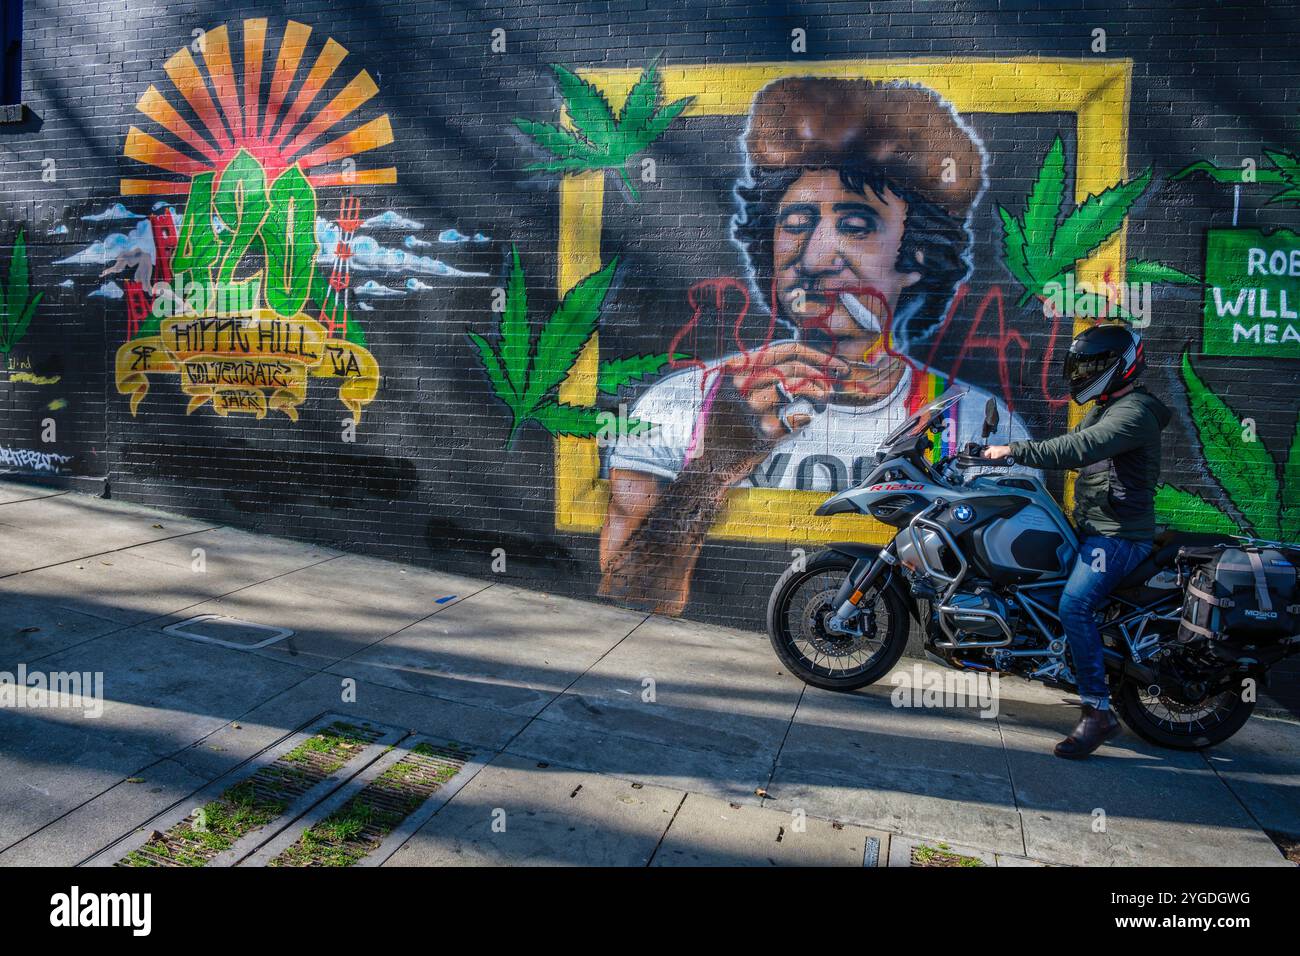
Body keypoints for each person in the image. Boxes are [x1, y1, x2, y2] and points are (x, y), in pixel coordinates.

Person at [600, 77, 1031, 615]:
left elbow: (1012, 587)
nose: (817, 256)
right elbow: (625, 603)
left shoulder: (973, 422)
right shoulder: (684, 401)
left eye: (855, 225)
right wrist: (710, 469)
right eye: (796, 223)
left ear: (916, 256)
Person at [983, 323, 1171, 758]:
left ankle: (1098, 712)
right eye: (1079, 365)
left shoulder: (1135, 411)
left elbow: (1083, 448)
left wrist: (1014, 450)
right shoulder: (1107, 405)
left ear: (1118, 366)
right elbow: (1074, 443)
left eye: (1091, 365)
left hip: (1118, 538)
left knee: (1075, 604)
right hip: (1091, 528)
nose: (1081, 373)